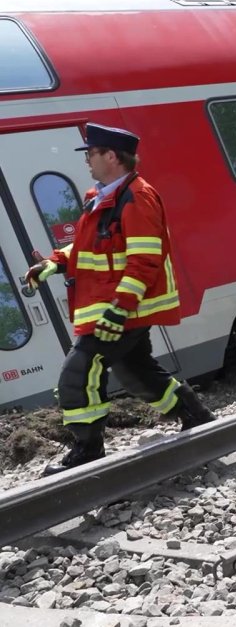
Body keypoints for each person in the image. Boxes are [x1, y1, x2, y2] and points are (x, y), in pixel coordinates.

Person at [24, 122, 216, 476]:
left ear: (112, 156)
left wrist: (118, 311)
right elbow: (86, 246)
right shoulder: (100, 196)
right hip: (114, 307)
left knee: (77, 374)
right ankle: (197, 417)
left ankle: (88, 452)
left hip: (122, 309)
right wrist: (55, 262)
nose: (87, 161)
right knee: (136, 370)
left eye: (92, 154)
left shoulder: (137, 196)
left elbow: (145, 260)